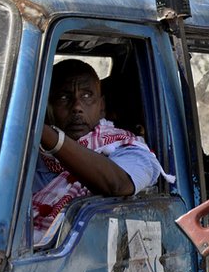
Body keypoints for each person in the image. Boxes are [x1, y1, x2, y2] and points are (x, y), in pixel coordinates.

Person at [32, 59, 172, 244]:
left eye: (87, 96)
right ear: (46, 106)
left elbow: (118, 185)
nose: (77, 107)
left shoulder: (126, 147)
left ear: (102, 106)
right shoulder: (28, 155)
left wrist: (45, 133)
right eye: (63, 98)